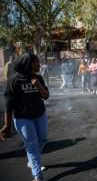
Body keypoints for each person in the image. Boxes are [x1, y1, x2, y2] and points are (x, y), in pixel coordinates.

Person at [0, 53, 49, 181]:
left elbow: (46, 96)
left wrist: (37, 85)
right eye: (37, 62)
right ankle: (38, 175)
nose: (39, 64)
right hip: (23, 119)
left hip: (40, 115)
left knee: (43, 139)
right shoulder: (14, 81)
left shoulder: (38, 78)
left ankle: (31, 161)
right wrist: (7, 124)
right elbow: (8, 104)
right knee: (32, 146)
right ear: (30, 64)